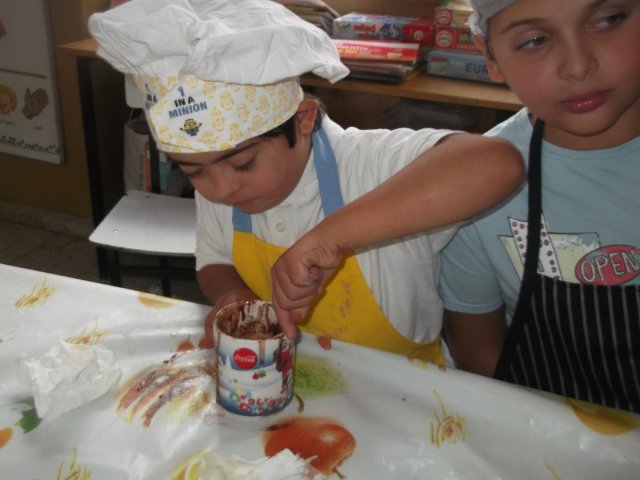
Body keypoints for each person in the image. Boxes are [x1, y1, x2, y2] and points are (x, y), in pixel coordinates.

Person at [89, 0, 524, 366]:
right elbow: (215, 260)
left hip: (406, 396)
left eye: (242, 164)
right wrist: (231, 295)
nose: (218, 191)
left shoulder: (370, 165)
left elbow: (495, 162)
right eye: (191, 171)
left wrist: (327, 241)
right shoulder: (220, 182)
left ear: (303, 119)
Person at [436, 0, 640, 412]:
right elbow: (479, 355)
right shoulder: (473, 190)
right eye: (534, 41)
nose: (578, 65)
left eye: (609, 20)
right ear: (488, 56)